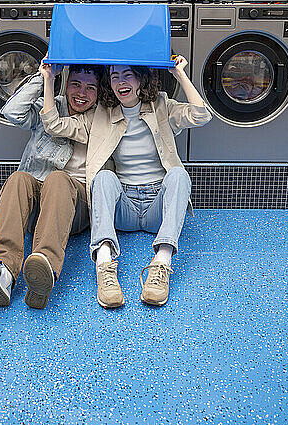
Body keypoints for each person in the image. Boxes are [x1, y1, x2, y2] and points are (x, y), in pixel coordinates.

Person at [40, 57, 212, 308]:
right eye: (114, 76)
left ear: (141, 79)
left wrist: (179, 74)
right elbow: (54, 124)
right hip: (124, 207)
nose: (121, 82)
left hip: (158, 208)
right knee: (104, 177)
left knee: (178, 175)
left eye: (128, 75)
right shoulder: (101, 115)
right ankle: (104, 264)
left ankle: (161, 263)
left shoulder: (161, 106)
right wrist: (48, 80)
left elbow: (201, 115)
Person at [0, 61, 102, 309]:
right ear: (65, 84)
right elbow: (12, 112)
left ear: (99, 92)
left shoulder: (101, 119)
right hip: (36, 206)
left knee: (59, 179)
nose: (81, 93)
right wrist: (46, 76)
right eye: (75, 84)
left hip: (72, 206)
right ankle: (4, 272)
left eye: (90, 88)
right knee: (18, 178)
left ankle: (46, 268)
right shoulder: (49, 105)